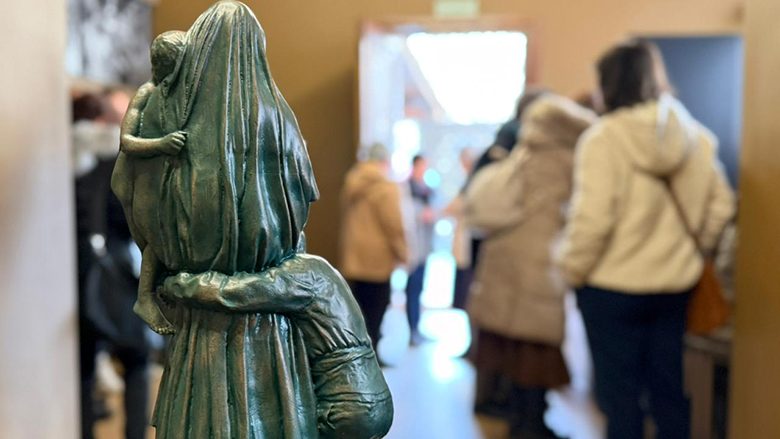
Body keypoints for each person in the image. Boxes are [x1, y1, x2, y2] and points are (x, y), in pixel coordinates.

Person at [112, 3, 323, 438]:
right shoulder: (279, 118)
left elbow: (140, 199)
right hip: (266, 319)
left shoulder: (173, 118)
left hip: (196, 315)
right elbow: (304, 197)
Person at [556, 40, 736, 439]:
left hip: (609, 287)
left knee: (619, 399)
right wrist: (693, 250)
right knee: (670, 390)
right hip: (675, 285)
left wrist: (571, 271)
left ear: (609, 82)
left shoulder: (602, 139)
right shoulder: (695, 136)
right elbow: (722, 205)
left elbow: (591, 222)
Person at [469, 94, 597, 439]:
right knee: (537, 352)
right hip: (541, 264)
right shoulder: (569, 158)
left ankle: (522, 420)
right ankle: (532, 425)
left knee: (518, 351)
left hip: (507, 259)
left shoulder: (524, 153)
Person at [162, 252, 393, 439]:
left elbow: (235, 292)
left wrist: (176, 285)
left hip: (346, 405)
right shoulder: (323, 270)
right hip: (378, 397)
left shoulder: (304, 275)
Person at [114, 30, 188, 334]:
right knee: (152, 237)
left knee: (160, 235)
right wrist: (162, 144)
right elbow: (127, 142)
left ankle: (152, 292)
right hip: (132, 179)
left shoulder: (170, 94)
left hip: (152, 178)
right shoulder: (146, 93)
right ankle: (144, 298)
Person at [339, 142, 408, 353]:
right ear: (384, 161)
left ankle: (359, 356)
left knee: (358, 312)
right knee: (377, 311)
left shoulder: (352, 182)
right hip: (378, 260)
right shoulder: (386, 187)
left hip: (355, 257)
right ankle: (373, 356)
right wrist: (403, 253)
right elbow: (393, 225)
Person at [406, 155, 435, 345]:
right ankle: (413, 330)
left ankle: (417, 328)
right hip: (412, 248)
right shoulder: (407, 189)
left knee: (419, 288)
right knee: (413, 288)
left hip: (424, 248)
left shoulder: (426, 190)